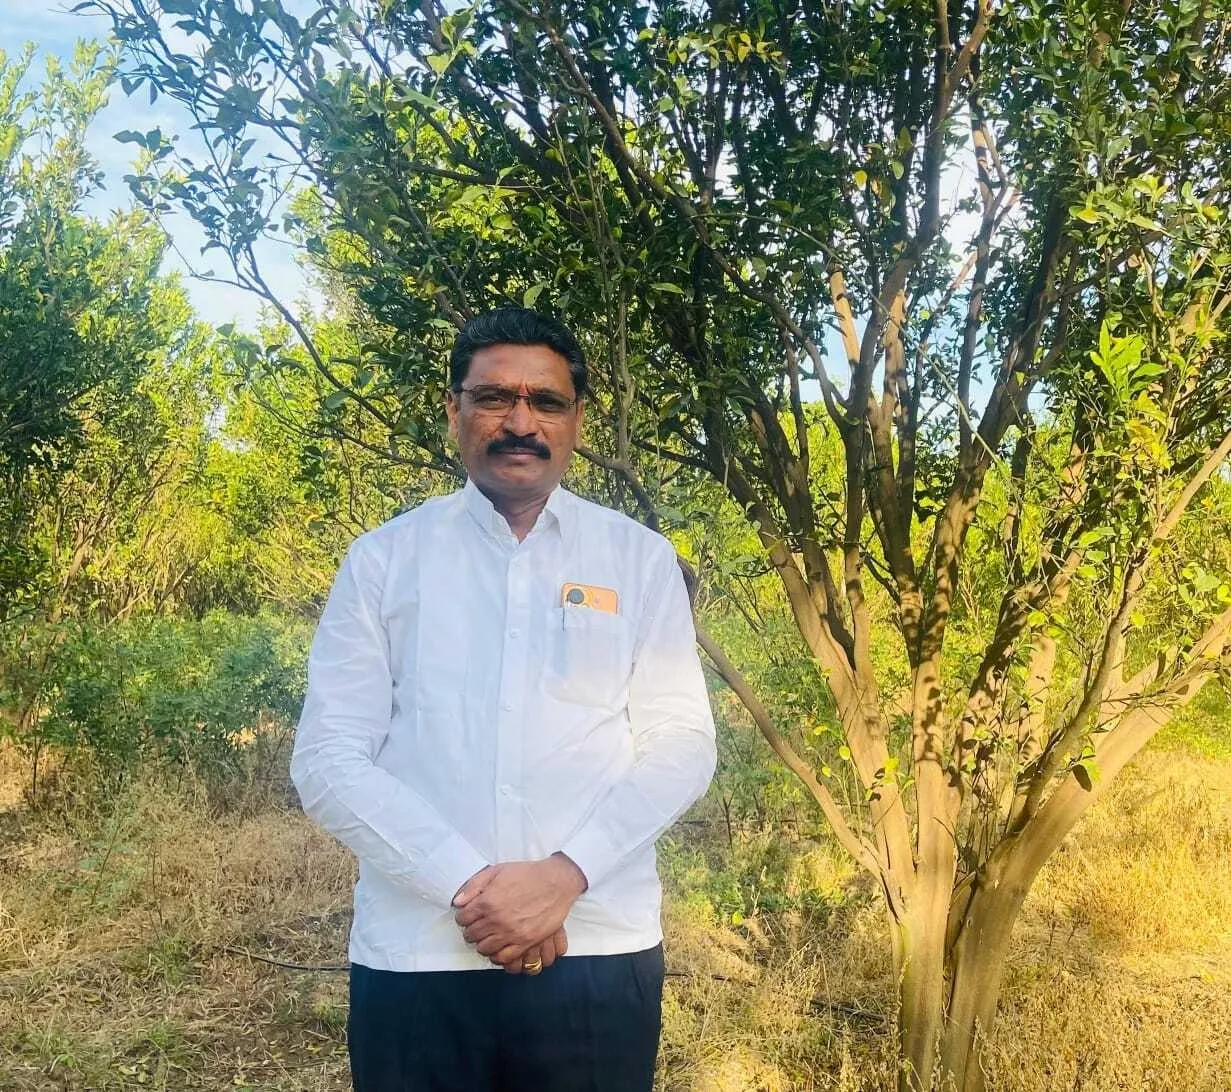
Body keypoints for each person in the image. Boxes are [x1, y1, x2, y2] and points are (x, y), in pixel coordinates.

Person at [290, 308, 716, 1092]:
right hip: (418, 951)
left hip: (595, 945)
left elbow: (682, 741)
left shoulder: (639, 559)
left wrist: (560, 878)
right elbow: (326, 757)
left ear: (577, 420)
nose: (520, 421)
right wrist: (468, 885)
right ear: (453, 410)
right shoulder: (384, 559)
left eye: (545, 401)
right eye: (493, 398)